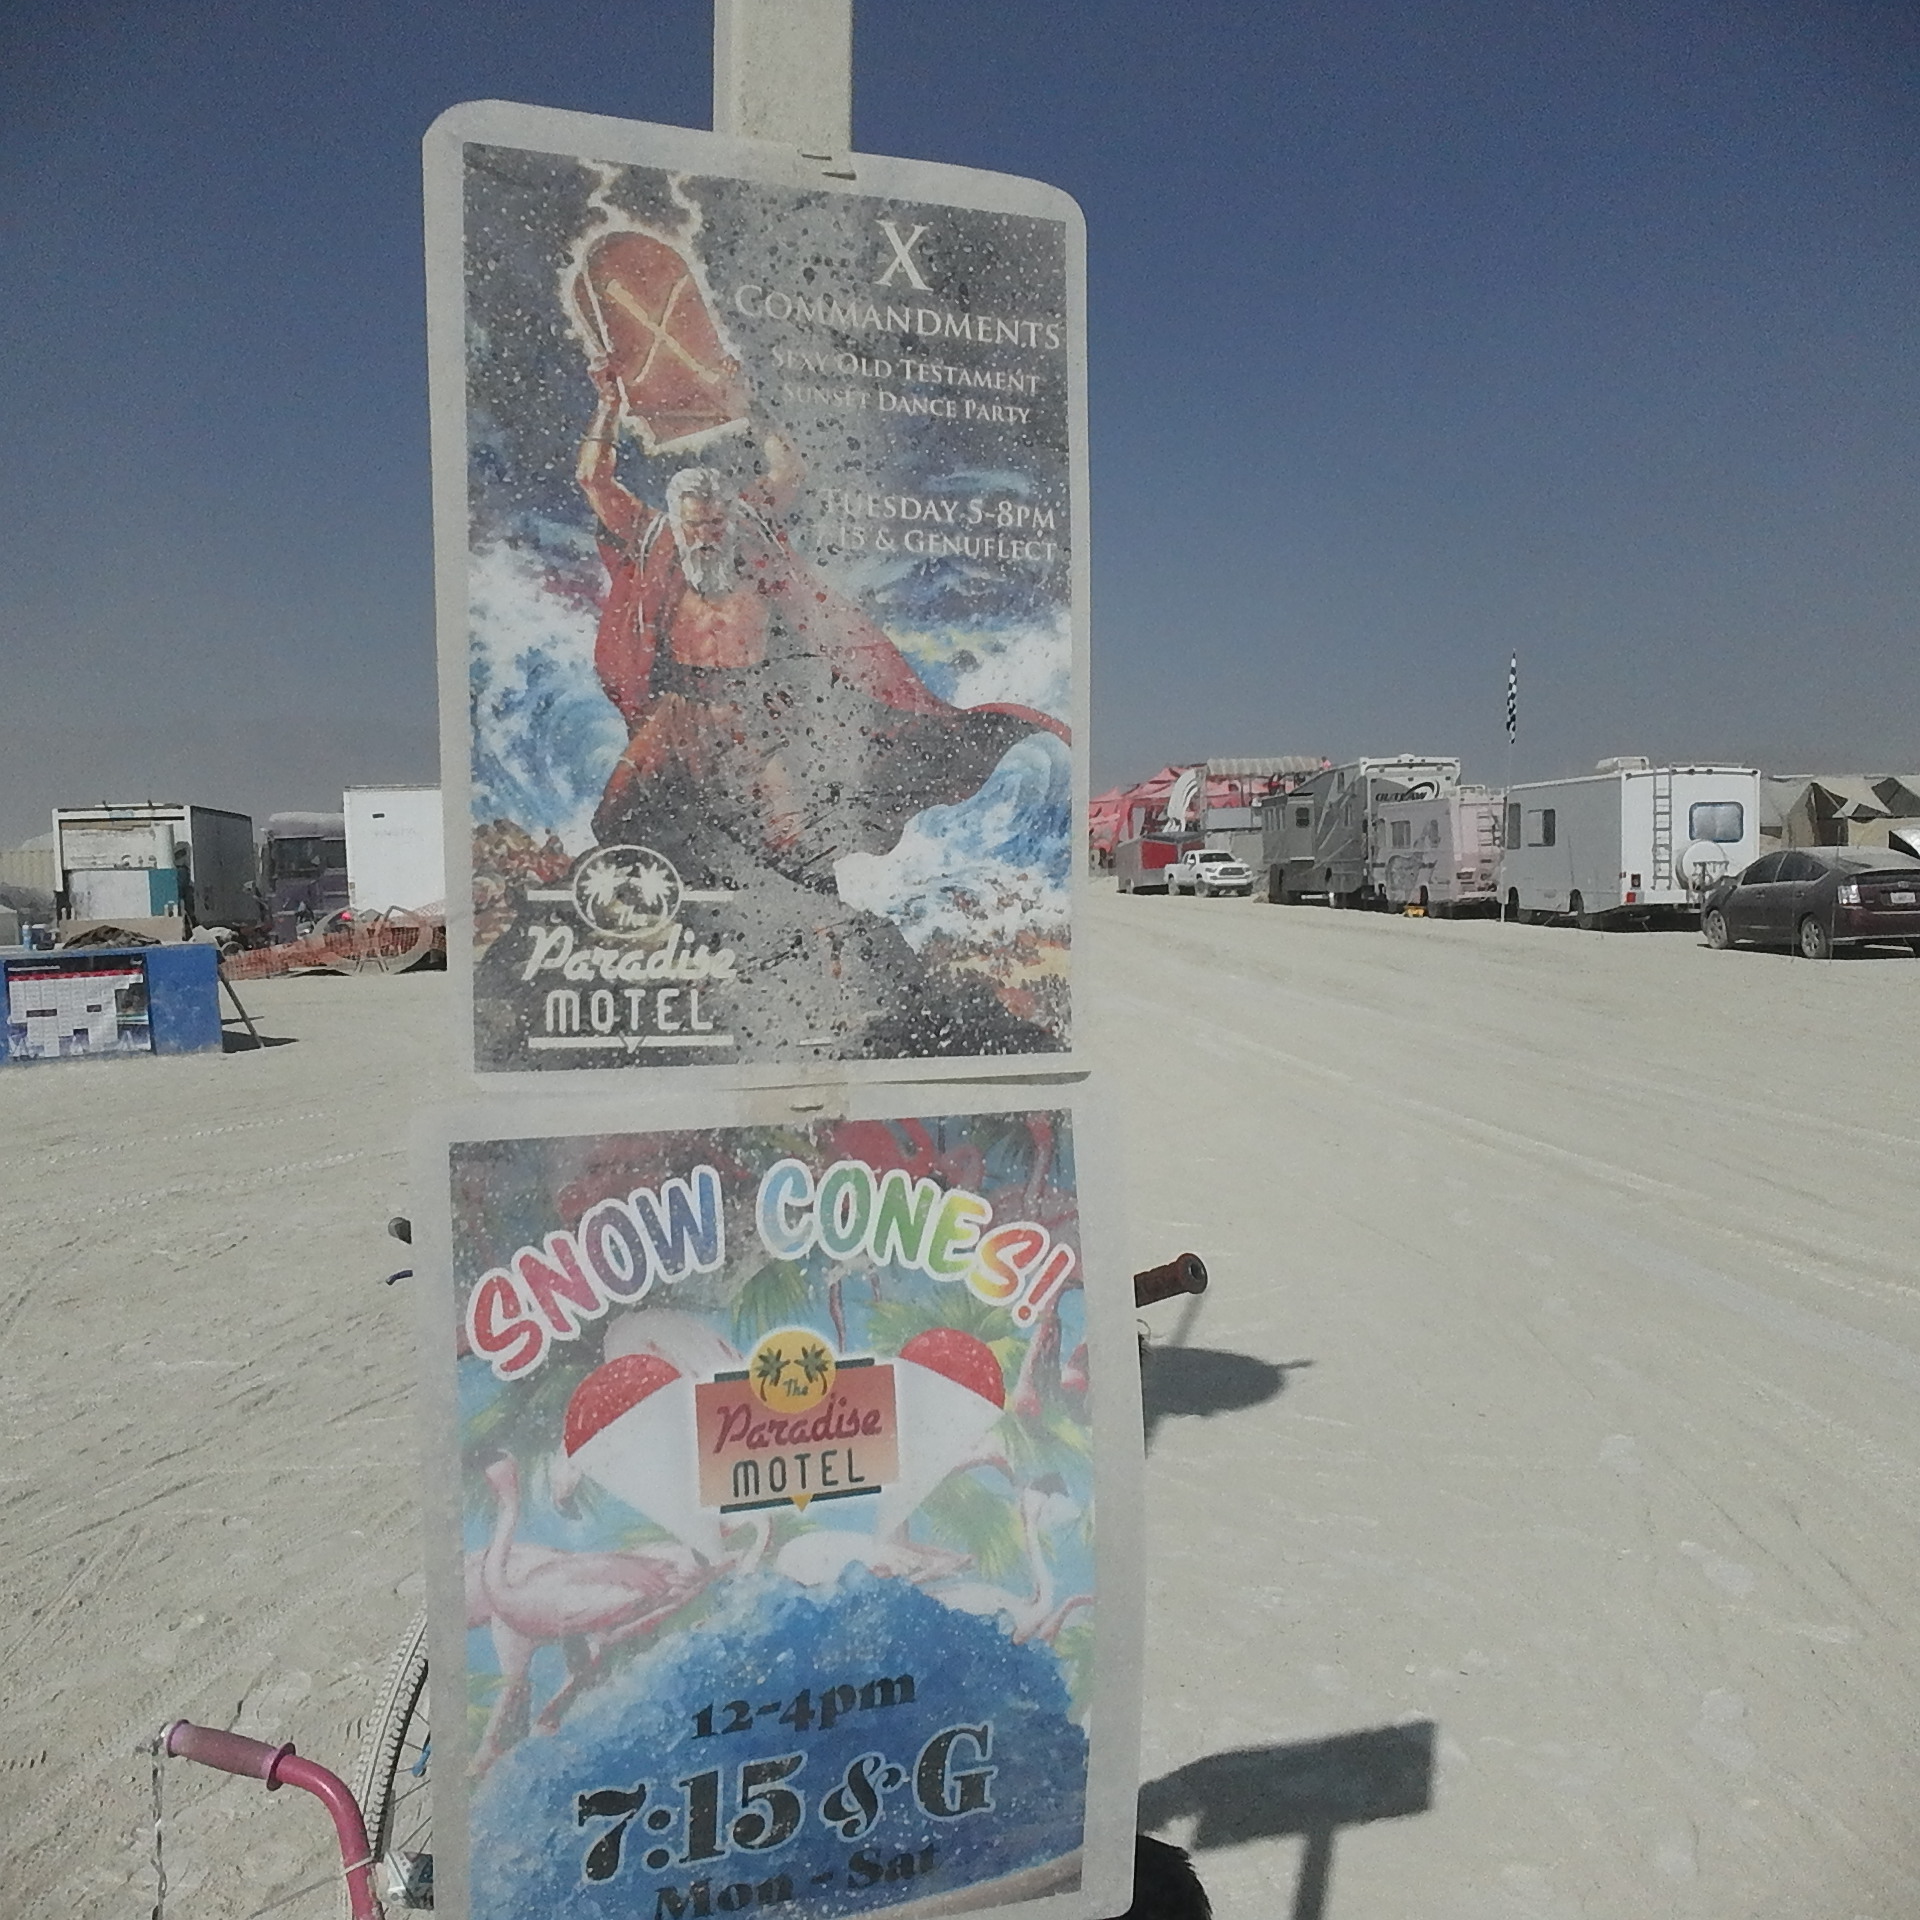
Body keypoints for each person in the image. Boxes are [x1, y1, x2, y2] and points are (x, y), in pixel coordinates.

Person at [576, 359, 1065, 892]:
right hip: (677, 711)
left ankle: (817, 915)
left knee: (794, 838)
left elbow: (789, 472)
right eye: (695, 525)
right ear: (677, 520)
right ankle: (638, 896)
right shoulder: (652, 537)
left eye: (715, 522)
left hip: (749, 714)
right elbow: (592, 479)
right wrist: (608, 406)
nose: (706, 535)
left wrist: (750, 409)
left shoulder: (752, 527)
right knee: (616, 810)